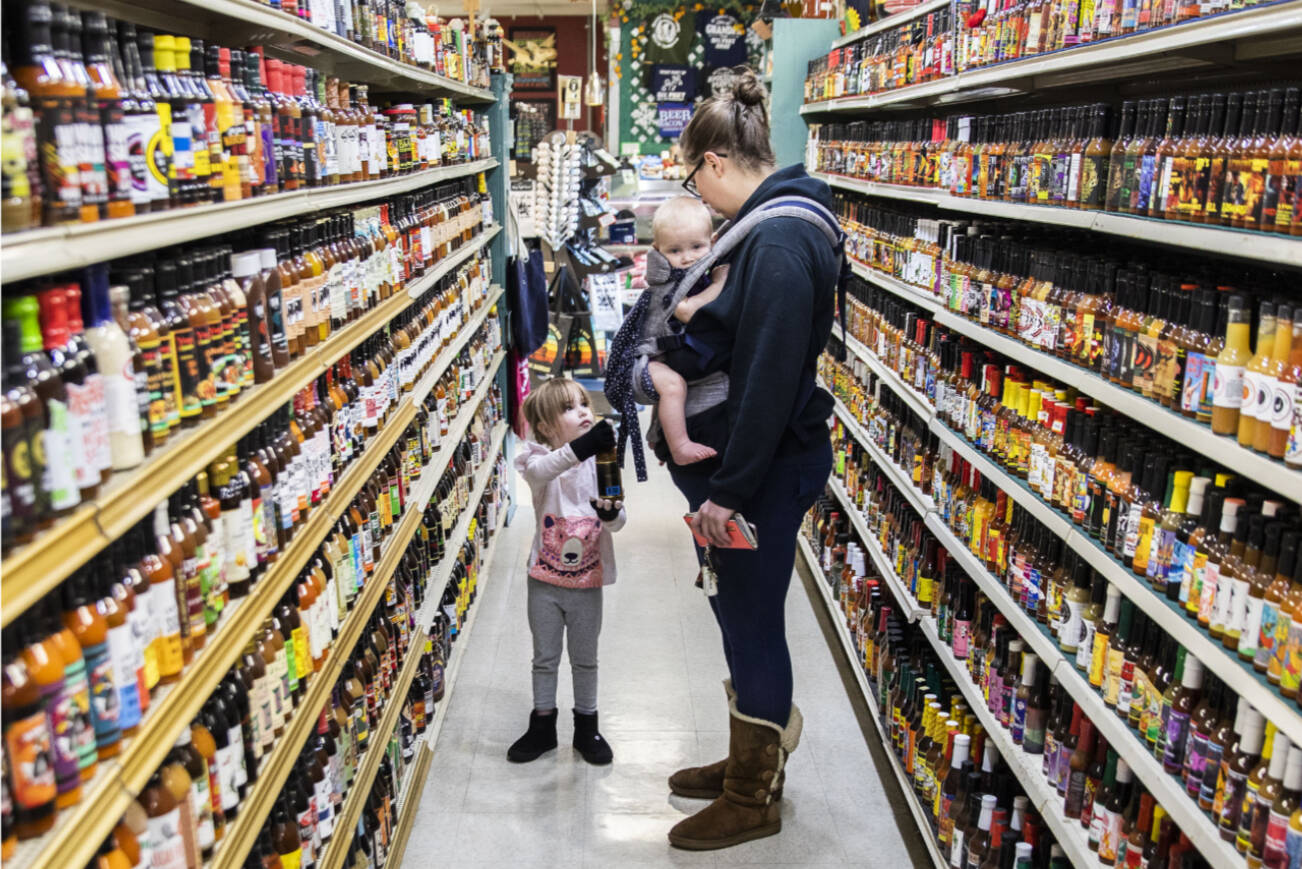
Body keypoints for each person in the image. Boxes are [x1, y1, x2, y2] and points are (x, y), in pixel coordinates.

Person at [650, 67, 842, 851]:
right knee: (735, 611)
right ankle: (745, 752)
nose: (697, 193)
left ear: (717, 163)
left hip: (758, 476)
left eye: (693, 175)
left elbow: (766, 379)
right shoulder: (775, 224)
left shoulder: (781, 236)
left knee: (754, 620)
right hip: (749, 470)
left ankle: (753, 792)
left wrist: (725, 492)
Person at [508, 378, 625, 766]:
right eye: (570, 408)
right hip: (544, 581)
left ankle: (586, 726)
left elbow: (618, 518)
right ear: (544, 427)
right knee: (544, 657)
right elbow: (543, 471)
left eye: (585, 405)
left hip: (588, 581)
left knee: (585, 658)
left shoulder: (602, 460)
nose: (584, 412)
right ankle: (542, 725)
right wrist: (582, 447)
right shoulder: (536, 458)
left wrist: (612, 514)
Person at [634, 195, 732, 466]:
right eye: (674, 251)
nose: (687, 258)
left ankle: (659, 433)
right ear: (657, 250)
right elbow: (686, 311)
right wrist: (719, 283)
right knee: (674, 387)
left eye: (696, 247)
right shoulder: (665, 279)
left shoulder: (691, 272)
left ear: (712, 242)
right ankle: (679, 446)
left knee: (673, 389)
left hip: (664, 353)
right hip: (647, 356)